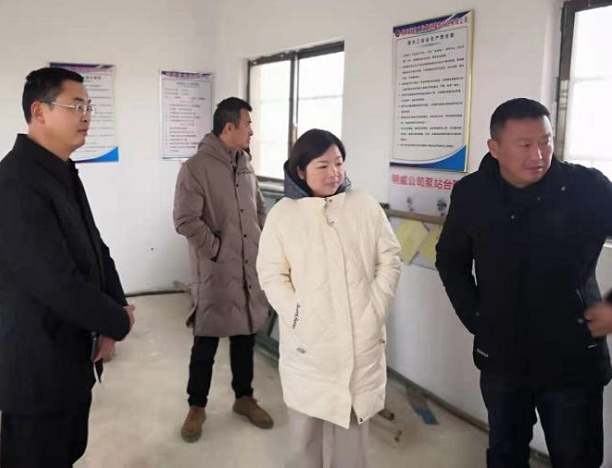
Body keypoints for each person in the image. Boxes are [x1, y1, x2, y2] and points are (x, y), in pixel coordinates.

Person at [435, 97, 612, 468]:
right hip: (503, 357)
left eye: (545, 141)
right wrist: (477, 318)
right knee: (505, 453)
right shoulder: (472, 194)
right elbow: (450, 259)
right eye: (525, 144)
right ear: (495, 148)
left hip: (572, 354)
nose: (539, 154)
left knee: (577, 458)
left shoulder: (587, 189)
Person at [0, 67, 135, 468]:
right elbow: (57, 283)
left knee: (68, 452)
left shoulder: (60, 171)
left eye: (89, 107)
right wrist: (117, 320)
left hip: (72, 358)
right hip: (38, 371)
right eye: (76, 106)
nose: (87, 116)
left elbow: (95, 247)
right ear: (39, 111)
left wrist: (116, 304)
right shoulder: (14, 186)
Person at [257, 129, 401, 468]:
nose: (334, 173)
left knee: (353, 441)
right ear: (300, 170)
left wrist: (376, 307)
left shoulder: (364, 206)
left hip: (360, 344)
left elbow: (389, 259)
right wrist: (298, 315)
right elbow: (272, 274)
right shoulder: (283, 216)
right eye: (322, 166)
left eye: (338, 163)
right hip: (310, 347)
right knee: (304, 439)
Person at [173, 96, 273, 443]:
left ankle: (244, 398)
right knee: (206, 341)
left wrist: (258, 242)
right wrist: (217, 250)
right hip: (216, 271)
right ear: (229, 127)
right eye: (248, 124)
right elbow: (185, 220)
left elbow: (258, 207)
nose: (252, 131)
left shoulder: (245, 163)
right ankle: (196, 406)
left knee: (245, 337)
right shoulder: (196, 168)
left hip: (248, 268)